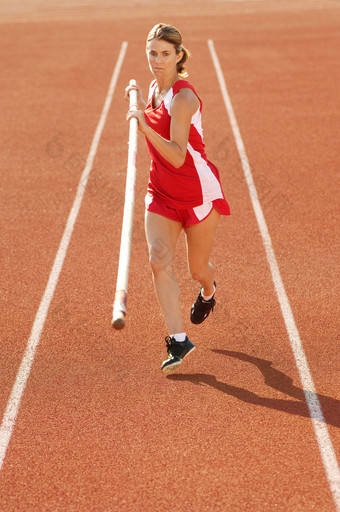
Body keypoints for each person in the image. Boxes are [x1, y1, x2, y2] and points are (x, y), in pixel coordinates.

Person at [125, 23, 230, 374]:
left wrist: (143, 126)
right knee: (158, 259)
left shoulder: (184, 97)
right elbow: (153, 119)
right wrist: (139, 103)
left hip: (197, 192)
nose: (157, 60)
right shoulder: (154, 88)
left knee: (198, 269)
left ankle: (208, 290)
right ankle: (179, 339)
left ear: (179, 55)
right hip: (162, 192)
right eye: (152, 52)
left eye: (165, 54)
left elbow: (177, 155)